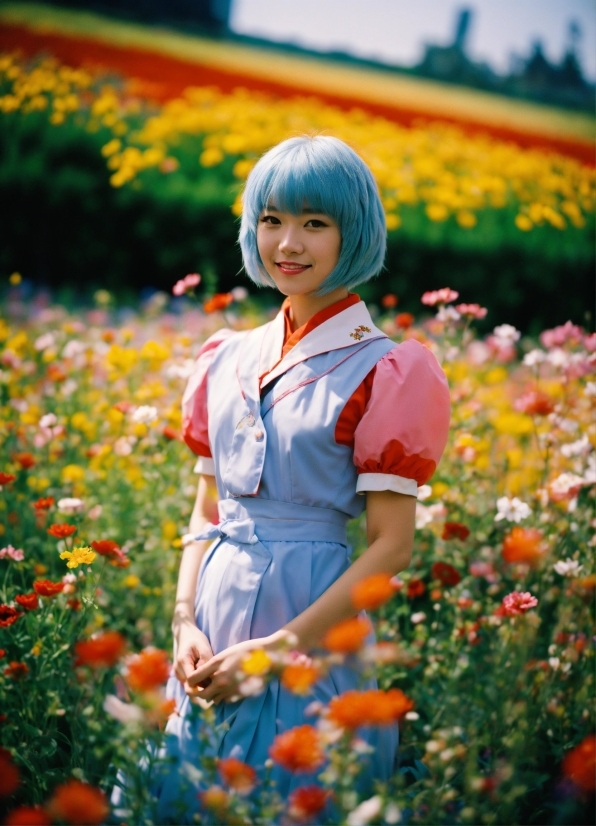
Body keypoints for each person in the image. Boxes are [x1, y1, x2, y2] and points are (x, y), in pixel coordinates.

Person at [157, 135, 450, 817]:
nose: (287, 242)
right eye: (272, 220)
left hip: (313, 622)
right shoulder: (226, 355)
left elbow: (392, 546)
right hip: (213, 617)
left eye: (314, 224)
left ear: (353, 234)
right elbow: (207, 512)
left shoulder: (388, 369)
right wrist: (182, 624)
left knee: (293, 792)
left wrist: (276, 651)